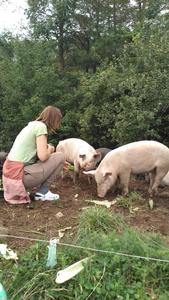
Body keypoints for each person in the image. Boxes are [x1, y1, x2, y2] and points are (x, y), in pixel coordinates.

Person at [2, 105, 65, 204]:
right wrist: (51, 149)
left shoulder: (31, 126)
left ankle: (39, 191)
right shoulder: (41, 127)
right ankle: (43, 192)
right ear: (54, 119)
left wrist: (46, 148)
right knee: (61, 156)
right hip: (19, 177)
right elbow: (43, 156)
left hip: (10, 176)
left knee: (53, 157)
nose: (58, 124)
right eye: (58, 121)